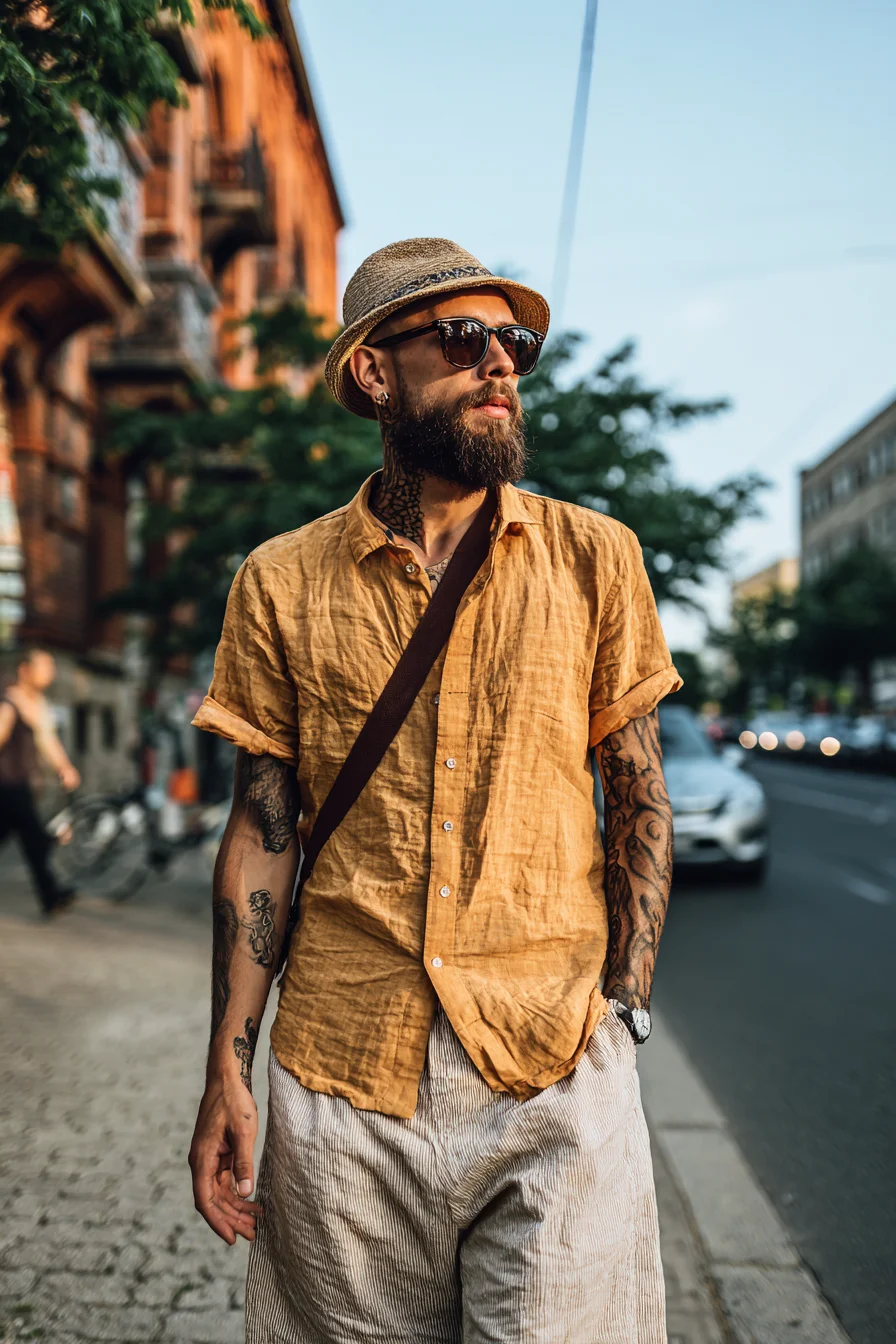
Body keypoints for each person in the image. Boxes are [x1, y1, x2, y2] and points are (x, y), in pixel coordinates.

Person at [189, 237, 682, 1343]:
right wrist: (229, 1069)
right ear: (375, 373)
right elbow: (262, 833)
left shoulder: (596, 558)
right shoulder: (277, 581)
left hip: (552, 1064)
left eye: (514, 344)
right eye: (462, 341)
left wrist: (624, 1007)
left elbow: (639, 797)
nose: (499, 365)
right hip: (340, 1075)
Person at [0, 647, 80, 913]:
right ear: (25, 670)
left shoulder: (37, 703)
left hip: (17, 786)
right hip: (8, 786)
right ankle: (51, 895)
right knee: (36, 840)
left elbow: (47, 740)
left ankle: (51, 895)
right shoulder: (9, 702)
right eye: (44, 667)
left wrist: (65, 768)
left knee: (33, 842)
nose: (50, 673)